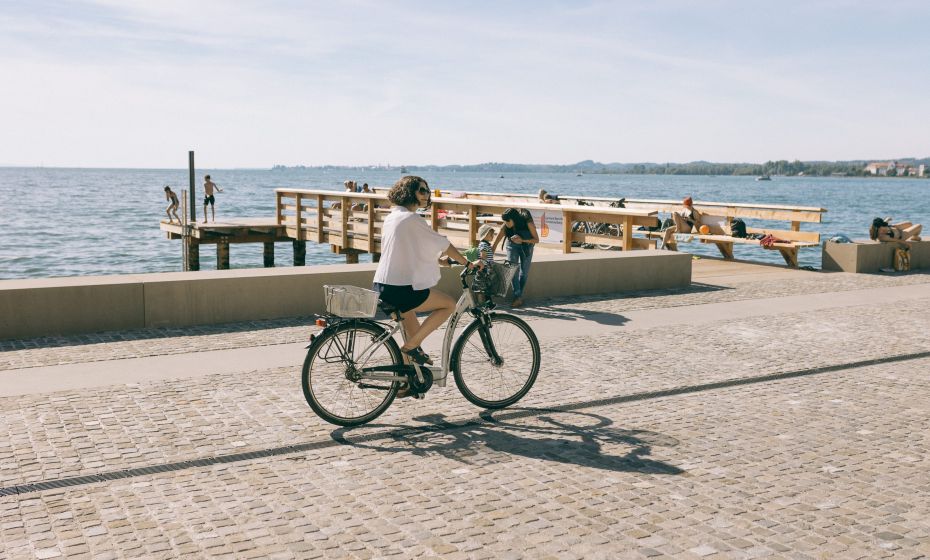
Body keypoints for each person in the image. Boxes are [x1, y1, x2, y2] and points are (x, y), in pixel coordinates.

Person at [372, 176, 481, 367]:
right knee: (448, 305)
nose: (426, 195)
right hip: (400, 289)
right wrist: (468, 263)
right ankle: (410, 347)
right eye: (421, 190)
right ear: (408, 192)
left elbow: (408, 250)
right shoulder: (411, 218)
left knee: (414, 338)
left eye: (427, 191)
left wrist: (440, 261)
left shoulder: (392, 216)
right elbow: (444, 244)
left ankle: (406, 382)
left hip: (383, 286)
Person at [492, 207, 540, 308]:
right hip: (511, 244)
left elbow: (536, 239)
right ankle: (517, 296)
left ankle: (518, 297)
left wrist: (522, 240)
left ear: (514, 219)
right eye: (504, 221)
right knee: (511, 269)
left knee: (524, 272)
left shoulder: (526, 218)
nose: (506, 224)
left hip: (527, 246)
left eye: (507, 221)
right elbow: (499, 235)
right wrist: (493, 248)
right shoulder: (507, 222)